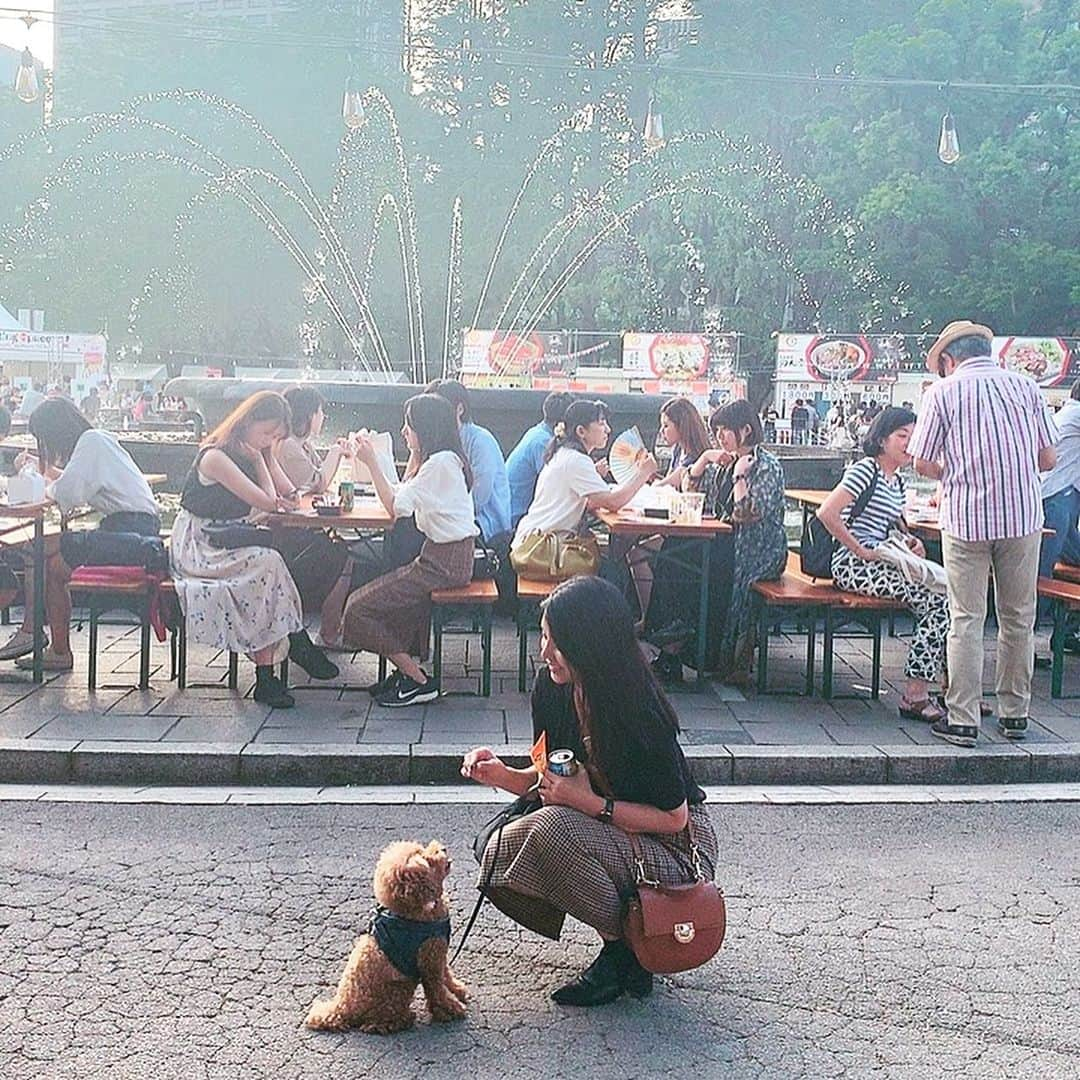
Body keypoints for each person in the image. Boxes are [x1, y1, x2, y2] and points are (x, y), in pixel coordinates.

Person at [460, 575, 717, 1007]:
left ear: (589, 645)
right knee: (499, 846)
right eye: (543, 636)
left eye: (556, 643)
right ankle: (628, 948)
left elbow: (675, 818)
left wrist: (589, 803)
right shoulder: (551, 689)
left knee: (550, 829)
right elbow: (546, 779)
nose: (545, 653)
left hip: (676, 846)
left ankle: (625, 947)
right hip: (609, 828)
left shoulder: (637, 710)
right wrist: (500, 774)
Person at [909, 321, 1058, 747]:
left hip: (966, 518)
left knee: (966, 619)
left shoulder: (944, 392)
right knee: (1017, 619)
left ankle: (962, 718)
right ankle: (1015, 715)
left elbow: (921, 462)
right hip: (1022, 520)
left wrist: (953, 472)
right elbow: (1047, 459)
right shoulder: (1027, 388)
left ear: (950, 360)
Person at [169, 391, 311, 709]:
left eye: (274, 437)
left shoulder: (252, 452)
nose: (266, 441)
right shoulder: (215, 457)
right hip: (200, 543)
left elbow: (290, 494)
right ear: (246, 422)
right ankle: (293, 643)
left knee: (267, 573)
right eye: (266, 434)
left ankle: (271, 672)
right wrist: (262, 462)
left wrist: (268, 458)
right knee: (269, 564)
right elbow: (268, 502)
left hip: (227, 539)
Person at [0, 399, 163, 672]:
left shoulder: (91, 443)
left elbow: (68, 494)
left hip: (128, 533)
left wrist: (37, 478)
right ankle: (58, 651)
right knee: (54, 567)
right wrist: (43, 471)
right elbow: (75, 483)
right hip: (133, 531)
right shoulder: (98, 440)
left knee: (35, 548)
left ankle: (30, 630)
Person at [343, 394, 477, 708]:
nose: (404, 431)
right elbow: (402, 494)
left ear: (426, 428)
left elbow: (396, 506)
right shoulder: (440, 460)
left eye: (409, 425)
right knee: (395, 606)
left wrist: (372, 461)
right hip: (442, 557)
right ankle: (407, 672)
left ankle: (417, 679)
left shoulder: (441, 463)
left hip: (444, 563)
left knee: (356, 609)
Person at [817, 407, 950, 721]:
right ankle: (915, 695)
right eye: (902, 436)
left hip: (882, 560)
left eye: (912, 437)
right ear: (881, 438)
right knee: (937, 601)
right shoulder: (866, 470)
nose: (908, 443)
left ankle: (952, 691)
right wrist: (861, 550)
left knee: (952, 596)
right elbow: (827, 514)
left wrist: (911, 541)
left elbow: (893, 526)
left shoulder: (897, 481)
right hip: (854, 565)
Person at [671, 399, 787, 681]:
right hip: (727, 542)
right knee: (678, 557)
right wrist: (703, 460)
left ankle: (722, 657)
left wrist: (739, 478)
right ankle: (679, 646)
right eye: (717, 430)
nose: (719, 436)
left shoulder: (765, 465)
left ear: (745, 430)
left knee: (710, 570)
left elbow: (747, 514)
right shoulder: (725, 461)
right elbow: (690, 491)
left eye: (725, 430)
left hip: (759, 549)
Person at [511, 399, 656, 563]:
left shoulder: (565, 453)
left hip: (538, 543)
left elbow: (589, 501)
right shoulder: (576, 460)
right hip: (542, 551)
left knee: (614, 561)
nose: (608, 429)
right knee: (614, 570)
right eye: (601, 423)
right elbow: (613, 503)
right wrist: (644, 473)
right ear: (581, 431)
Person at [276, 386, 354, 648]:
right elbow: (318, 482)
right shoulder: (288, 446)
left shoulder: (302, 446)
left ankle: (331, 629)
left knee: (340, 549)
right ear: (308, 415)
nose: (323, 417)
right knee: (342, 555)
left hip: (298, 523)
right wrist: (335, 452)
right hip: (285, 530)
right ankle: (330, 633)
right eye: (320, 411)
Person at [625, 398, 712, 629]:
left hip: (689, 535)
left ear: (681, 426)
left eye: (666, 425)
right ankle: (650, 617)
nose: (662, 431)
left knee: (636, 554)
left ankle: (650, 619)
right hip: (676, 525)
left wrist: (648, 477)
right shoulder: (680, 452)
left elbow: (668, 485)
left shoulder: (693, 458)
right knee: (635, 551)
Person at [425, 379, 511, 548]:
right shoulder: (438, 440)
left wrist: (442, 515)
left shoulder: (480, 441)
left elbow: (479, 497)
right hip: (455, 519)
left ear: (460, 409)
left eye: (440, 409)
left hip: (487, 526)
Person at [1037, 377, 1080, 655]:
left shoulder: (1066, 413)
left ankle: (1065, 632)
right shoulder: (1076, 414)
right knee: (1041, 571)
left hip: (1059, 495)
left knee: (1051, 567)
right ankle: (1023, 646)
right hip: (1057, 497)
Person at [505, 391, 575, 530]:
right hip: (518, 517)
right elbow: (556, 487)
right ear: (561, 424)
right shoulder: (543, 442)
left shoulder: (537, 432)